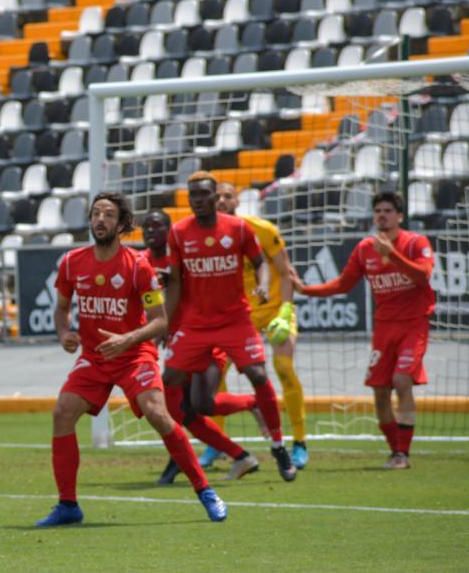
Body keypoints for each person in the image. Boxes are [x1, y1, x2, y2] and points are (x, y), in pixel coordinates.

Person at [35, 195, 227, 528]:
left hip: (133, 354)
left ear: (121, 225)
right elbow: (61, 308)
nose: (100, 219)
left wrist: (127, 339)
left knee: (157, 413)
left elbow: (159, 321)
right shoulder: (71, 262)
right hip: (94, 357)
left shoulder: (138, 265)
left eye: (108, 215)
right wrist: (64, 332)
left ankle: (205, 490)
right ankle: (68, 505)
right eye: (96, 213)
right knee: (62, 412)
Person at [163, 171, 297, 482]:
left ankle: (279, 447)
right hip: (196, 324)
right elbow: (176, 283)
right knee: (171, 382)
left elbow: (261, 263)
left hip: (235, 319)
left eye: (204, 194)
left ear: (214, 196)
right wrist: (165, 325)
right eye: (192, 195)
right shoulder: (179, 232)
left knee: (258, 373)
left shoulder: (238, 228)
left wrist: (263, 287)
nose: (198, 200)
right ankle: (181, 451)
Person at [295, 191, 434, 469]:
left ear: (400, 216)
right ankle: (396, 452)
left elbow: (423, 276)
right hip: (384, 327)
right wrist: (304, 289)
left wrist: (392, 255)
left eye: (387, 211)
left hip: (413, 323)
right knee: (380, 390)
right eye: (377, 211)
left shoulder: (415, 243)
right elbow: (342, 284)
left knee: (402, 380)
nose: (381, 215)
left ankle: (403, 453)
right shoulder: (364, 248)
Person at [141, 209, 266, 486]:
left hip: (205, 336)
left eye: (157, 226)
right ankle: (239, 453)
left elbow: (196, 285)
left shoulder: (185, 252)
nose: (151, 231)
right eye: (146, 227)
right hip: (179, 343)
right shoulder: (142, 262)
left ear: (170, 230)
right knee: (191, 409)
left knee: (184, 408)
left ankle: (180, 460)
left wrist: (172, 280)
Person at [214, 182, 308, 469]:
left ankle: (300, 441)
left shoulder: (263, 230)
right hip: (239, 316)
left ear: (237, 202)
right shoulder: (208, 239)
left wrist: (286, 311)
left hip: (275, 310)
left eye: (227, 196)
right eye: (216, 196)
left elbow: (286, 273)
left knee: (283, 368)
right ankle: (216, 444)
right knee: (213, 372)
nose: (221, 201)